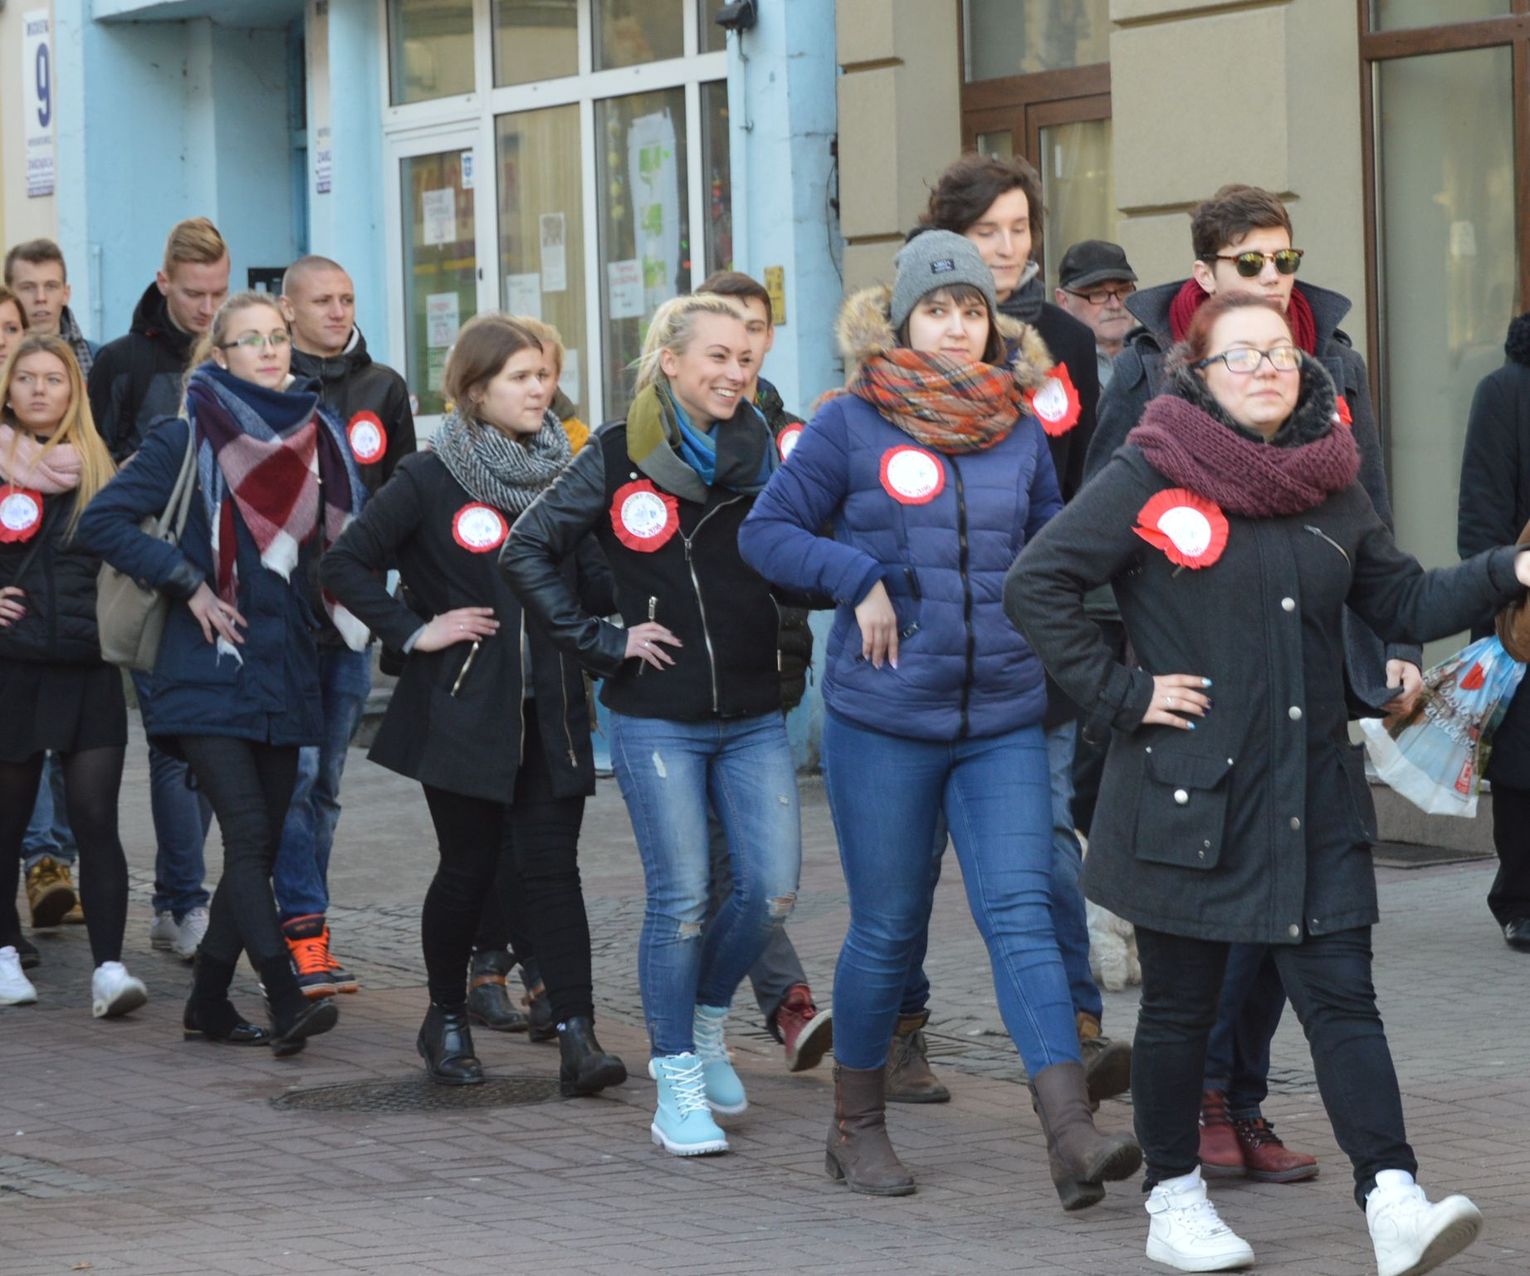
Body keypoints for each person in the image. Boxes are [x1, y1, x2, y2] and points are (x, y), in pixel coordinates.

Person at [1007, 292, 1508, 1274]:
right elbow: (1039, 582)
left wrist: (1509, 569)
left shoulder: (1331, 479)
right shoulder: (1152, 467)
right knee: (1182, 1009)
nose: (1268, 366)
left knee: (1344, 998)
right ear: (1196, 375)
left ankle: (1394, 1199)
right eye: (1240, 354)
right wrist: (1124, 693)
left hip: (1312, 791)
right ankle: (1174, 1198)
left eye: (1280, 351)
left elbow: (1404, 597)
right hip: (1192, 797)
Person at [739, 232, 1139, 1205]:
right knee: (887, 926)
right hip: (885, 718)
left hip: (1002, 713)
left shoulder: (1019, 429)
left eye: (970, 311)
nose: (956, 327)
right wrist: (856, 576)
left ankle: (1070, 1134)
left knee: (1024, 918)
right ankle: (855, 1128)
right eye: (936, 310)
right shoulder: (849, 423)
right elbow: (767, 533)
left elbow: (1047, 559)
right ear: (903, 320)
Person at [1082, 184, 1422, 1185]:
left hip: (1305, 679)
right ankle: (1199, 1119)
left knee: (1302, 940)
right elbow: (1090, 547)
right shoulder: (1154, 368)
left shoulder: (1329, 359)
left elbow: (1367, 522)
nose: (1273, 281)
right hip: (1199, 706)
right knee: (1208, 953)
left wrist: (1391, 641)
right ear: (1206, 273)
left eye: (1285, 260)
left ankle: (1254, 1104)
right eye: (1250, 264)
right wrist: (1131, 684)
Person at [504, 293, 802, 1157]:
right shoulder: (613, 452)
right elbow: (525, 550)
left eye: (745, 357)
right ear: (671, 362)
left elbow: (800, 557)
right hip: (656, 717)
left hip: (753, 711)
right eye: (717, 356)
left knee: (771, 890)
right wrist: (603, 641)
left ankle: (706, 1018)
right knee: (680, 900)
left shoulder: (771, 451)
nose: (735, 372)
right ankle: (675, 1081)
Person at [322, 314, 625, 1096]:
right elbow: (345, 563)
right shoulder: (429, 477)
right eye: (521, 377)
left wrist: (625, 575)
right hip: (462, 711)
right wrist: (416, 631)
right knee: (469, 870)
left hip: (552, 710)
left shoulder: (568, 473)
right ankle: (446, 1017)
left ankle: (578, 1036)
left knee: (554, 873)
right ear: (476, 388)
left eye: (545, 374)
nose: (540, 389)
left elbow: (596, 583)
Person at [78, 291, 363, 1055]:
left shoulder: (315, 439)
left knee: (257, 848)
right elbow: (101, 522)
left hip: (287, 669)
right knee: (246, 831)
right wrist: (187, 582)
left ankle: (207, 1002)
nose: (269, 350)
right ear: (220, 356)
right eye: (250, 340)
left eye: (277, 337)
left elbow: (340, 551)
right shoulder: (186, 438)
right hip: (204, 669)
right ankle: (284, 996)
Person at [916, 153, 1129, 1114]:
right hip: (927, 637)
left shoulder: (1063, 341)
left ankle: (1077, 1025)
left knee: (1045, 836)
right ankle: (900, 1027)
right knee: (910, 855)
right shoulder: (907, 335)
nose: (1006, 249)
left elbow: (1090, 483)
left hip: (1037, 630)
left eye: (1019, 229)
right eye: (986, 231)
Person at [694, 268, 832, 1073]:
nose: (740, 345)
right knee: (722, 858)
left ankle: (704, 1010)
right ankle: (784, 1003)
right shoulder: (665, 432)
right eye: (724, 327)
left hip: (769, 671)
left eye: (754, 328)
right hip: (687, 683)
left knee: (758, 863)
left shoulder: (794, 437)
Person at [270, 255, 418, 996]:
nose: (337, 311)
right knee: (293, 778)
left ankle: (300, 923)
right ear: (288, 309)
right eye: (322, 300)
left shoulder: (383, 388)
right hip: (281, 617)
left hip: (352, 618)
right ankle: (304, 932)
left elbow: (408, 495)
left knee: (325, 783)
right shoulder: (270, 386)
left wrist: (402, 605)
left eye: (347, 299)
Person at [88, 217, 230, 963]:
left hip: (227, 585)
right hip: (153, 581)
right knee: (176, 744)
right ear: (163, 282)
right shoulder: (122, 362)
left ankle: (177, 900)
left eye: (219, 293)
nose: (208, 309)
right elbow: (94, 468)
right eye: (194, 294)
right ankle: (183, 900)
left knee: (212, 746)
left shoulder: (239, 350)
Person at [0, 334, 146, 1016]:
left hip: (89, 670)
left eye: (52, 379)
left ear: (73, 392)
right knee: (7, 823)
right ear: (7, 392)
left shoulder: (100, 469)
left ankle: (109, 970)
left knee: (95, 819)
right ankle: (5, 954)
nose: (38, 389)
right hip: (13, 669)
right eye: (25, 378)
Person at [3, 254, 90, 931]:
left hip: (60, 642)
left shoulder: (84, 454)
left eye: (11, 330)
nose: (8, 341)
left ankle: (46, 867)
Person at [1458, 310, 1530, 953]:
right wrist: (1500, 588)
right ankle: (1521, 899)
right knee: (1522, 768)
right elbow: (1482, 515)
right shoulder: (1506, 390)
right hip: (1524, 613)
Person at [1053, 239, 1138, 391]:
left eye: (1123, 290)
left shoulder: (1160, 356)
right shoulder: (1047, 367)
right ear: (1064, 301)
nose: (1115, 305)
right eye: (1098, 294)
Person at [5, 239, 96, 374]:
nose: (40, 298)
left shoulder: (96, 358)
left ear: (65, 294)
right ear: (9, 294)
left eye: (50, 287)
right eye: (28, 288)